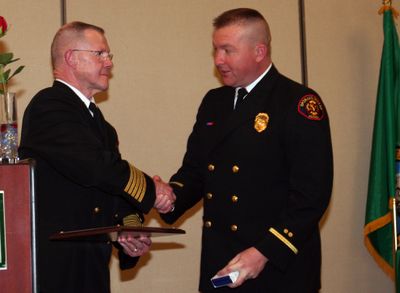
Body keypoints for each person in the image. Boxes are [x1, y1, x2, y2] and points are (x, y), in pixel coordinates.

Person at [160, 8, 333, 293]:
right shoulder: (214, 101)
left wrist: (264, 251)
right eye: (216, 49)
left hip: (276, 266)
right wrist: (167, 196)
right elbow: (196, 171)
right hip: (222, 262)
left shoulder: (297, 103)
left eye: (228, 50)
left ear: (259, 51)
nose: (218, 60)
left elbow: (311, 196)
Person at [19, 21, 174, 293]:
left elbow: (112, 193)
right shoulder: (49, 106)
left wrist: (129, 232)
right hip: (56, 266)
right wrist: (153, 189)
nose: (109, 63)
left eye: (109, 55)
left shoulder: (101, 125)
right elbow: (96, 168)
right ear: (71, 58)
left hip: (92, 266)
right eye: (100, 54)